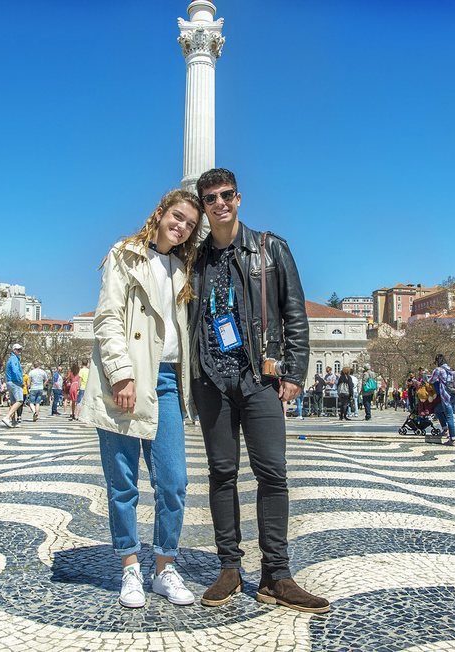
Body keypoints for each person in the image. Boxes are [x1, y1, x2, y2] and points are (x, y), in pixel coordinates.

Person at [188, 168, 328, 614]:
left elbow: (294, 314)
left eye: (227, 195)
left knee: (272, 474)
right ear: (203, 206)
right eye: (210, 198)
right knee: (221, 474)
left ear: (239, 198)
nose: (220, 203)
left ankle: (276, 575)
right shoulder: (196, 259)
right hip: (212, 381)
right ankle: (229, 567)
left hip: (260, 379)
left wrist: (294, 372)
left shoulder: (269, 249)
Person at [80, 188, 202, 608]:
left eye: (189, 222)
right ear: (160, 212)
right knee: (124, 483)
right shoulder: (125, 254)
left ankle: (164, 568)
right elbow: (108, 316)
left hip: (167, 381)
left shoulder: (183, 269)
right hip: (129, 379)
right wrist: (121, 374)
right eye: (177, 216)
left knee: (174, 482)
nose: (181, 225)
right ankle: (130, 566)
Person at [429, 353, 455, 446]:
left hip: (446, 396)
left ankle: (452, 439)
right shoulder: (451, 369)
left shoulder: (438, 370)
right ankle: (445, 430)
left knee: (449, 417)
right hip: (454, 396)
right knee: (437, 410)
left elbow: (431, 381)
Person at [2, 344, 25, 428]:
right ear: (14, 350)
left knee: (13, 402)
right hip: (15, 382)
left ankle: (13, 421)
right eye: (18, 350)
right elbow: (15, 371)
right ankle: (7, 417)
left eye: (20, 350)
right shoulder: (14, 359)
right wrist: (21, 381)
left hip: (10, 382)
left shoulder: (11, 359)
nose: (20, 352)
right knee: (20, 401)